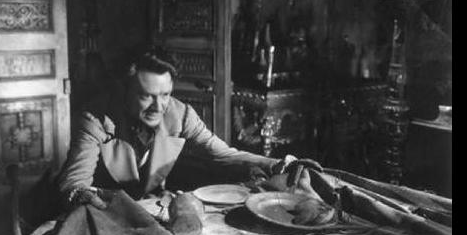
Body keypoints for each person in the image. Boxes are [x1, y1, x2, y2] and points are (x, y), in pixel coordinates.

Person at [58, 52, 320, 209]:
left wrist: (278, 164)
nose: (158, 106)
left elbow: (224, 154)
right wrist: (82, 195)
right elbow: (75, 182)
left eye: (165, 94)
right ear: (125, 90)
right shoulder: (95, 119)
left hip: (151, 210)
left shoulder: (181, 114)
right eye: (146, 96)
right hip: (106, 211)